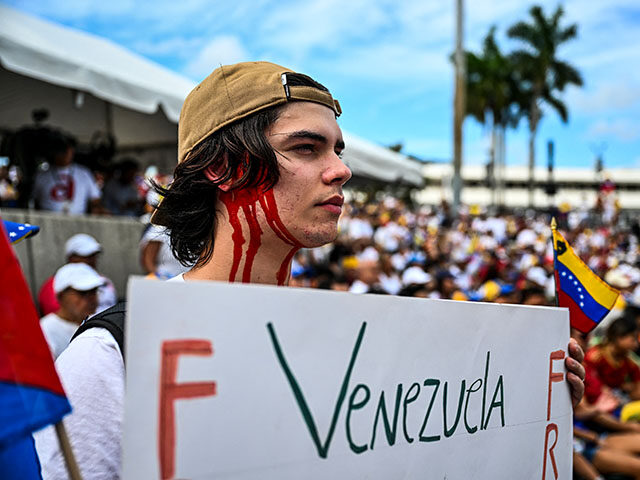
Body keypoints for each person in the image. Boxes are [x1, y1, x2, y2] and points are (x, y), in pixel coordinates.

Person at [34, 61, 585, 479]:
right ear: (224, 167)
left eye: (337, 150)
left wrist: (530, 417)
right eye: (307, 147)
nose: (341, 170)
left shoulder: (360, 340)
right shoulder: (115, 356)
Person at [38, 233, 117, 315]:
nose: (92, 260)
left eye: (94, 256)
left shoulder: (105, 282)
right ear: (71, 257)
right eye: (86, 256)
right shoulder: (53, 285)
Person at [31, 131, 105, 214]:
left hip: (77, 221)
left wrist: (97, 209)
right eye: (62, 150)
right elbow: (35, 201)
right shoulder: (42, 175)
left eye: (68, 149)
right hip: (48, 222)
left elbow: (95, 199)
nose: (65, 153)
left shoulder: (84, 173)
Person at [39, 263, 103, 359]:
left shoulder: (102, 322)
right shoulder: (45, 330)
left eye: (94, 291)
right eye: (83, 293)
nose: (91, 298)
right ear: (61, 296)